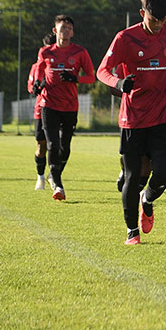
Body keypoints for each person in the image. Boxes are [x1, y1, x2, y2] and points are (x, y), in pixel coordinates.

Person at [96, 0, 166, 245]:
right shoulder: (125, 38)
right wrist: (119, 81)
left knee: (163, 176)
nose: (158, 25)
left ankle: (147, 199)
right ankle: (132, 231)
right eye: (153, 19)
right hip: (132, 119)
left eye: (162, 20)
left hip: (163, 115)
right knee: (134, 177)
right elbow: (102, 70)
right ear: (142, 13)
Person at [34, 15, 96, 201]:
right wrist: (38, 83)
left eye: (69, 28)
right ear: (55, 31)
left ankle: (55, 174)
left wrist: (75, 78)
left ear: (73, 32)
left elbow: (92, 77)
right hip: (48, 104)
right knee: (51, 143)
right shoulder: (45, 52)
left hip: (70, 106)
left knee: (65, 146)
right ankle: (57, 184)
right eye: (62, 28)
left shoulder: (80, 52)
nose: (66, 31)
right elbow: (38, 70)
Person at [29, 32, 55, 191]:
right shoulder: (37, 66)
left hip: (61, 108)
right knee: (42, 146)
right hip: (41, 109)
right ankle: (40, 178)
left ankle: (54, 174)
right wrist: (37, 86)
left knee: (58, 145)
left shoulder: (63, 62)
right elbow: (31, 86)